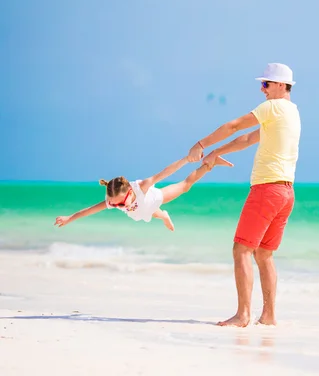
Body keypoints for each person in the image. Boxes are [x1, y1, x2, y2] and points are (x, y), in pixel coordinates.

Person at [187, 63, 301, 327]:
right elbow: (248, 139)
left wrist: (202, 144)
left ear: (281, 85)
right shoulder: (291, 113)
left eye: (266, 84)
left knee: (241, 250)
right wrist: (218, 153)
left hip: (267, 189)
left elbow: (234, 126)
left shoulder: (272, 107)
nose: (262, 89)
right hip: (286, 192)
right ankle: (269, 316)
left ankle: (243, 315)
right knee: (264, 254)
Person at [54, 156, 233, 230]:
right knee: (150, 213)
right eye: (114, 204)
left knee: (185, 185)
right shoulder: (113, 200)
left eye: (120, 204)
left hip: (153, 199)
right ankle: (163, 215)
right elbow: (89, 210)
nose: (116, 206)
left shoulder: (142, 187)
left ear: (129, 192)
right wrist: (69, 218)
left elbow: (166, 172)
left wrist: (187, 159)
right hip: (142, 211)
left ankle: (211, 163)